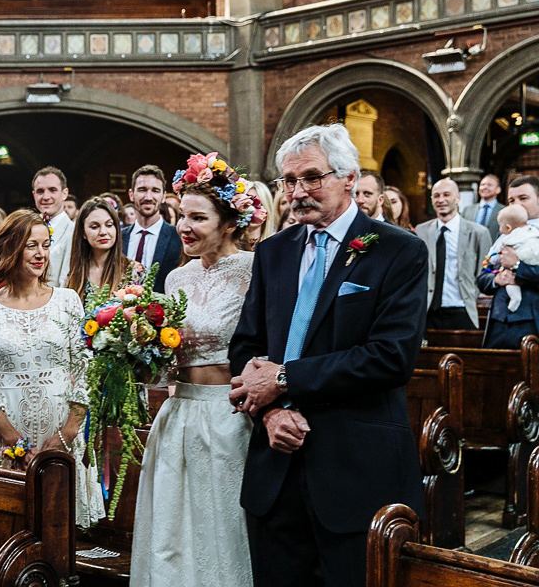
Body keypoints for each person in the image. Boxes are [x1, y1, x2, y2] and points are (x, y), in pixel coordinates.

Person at [229, 124, 426, 587]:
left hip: (355, 468)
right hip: (275, 468)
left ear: (349, 178)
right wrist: (273, 412)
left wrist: (284, 380)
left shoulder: (399, 251)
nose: (298, 192)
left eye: (312, 178)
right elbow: (246, 346)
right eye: (289, 181)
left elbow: (389, 357)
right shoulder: (274, 251)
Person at [131, 162, 262, 587]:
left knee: (222, 527)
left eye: (198, 218)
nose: (184, 227)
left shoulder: (252, 271)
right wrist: (134, 349)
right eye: (181, 215)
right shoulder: (175, 277)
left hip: (229, 415)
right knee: (171, 532)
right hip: (178, 412)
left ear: (229, 224)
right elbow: (168, 361)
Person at [0, 209, 104, 528]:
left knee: (63, 528)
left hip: (62, 429)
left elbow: (84, 369)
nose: (41, 253)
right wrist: (13, 441)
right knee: (11, 528)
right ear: (11, 247)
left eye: (46, 245)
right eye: (31, 245)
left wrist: (68, 430)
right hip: (7, 433)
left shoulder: (67, 300)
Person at [415, 179, 491, 330]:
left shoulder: (478, 233)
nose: (441, 200)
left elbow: (484, 272)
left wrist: (473, 293)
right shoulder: (421, 231)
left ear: (457, 198)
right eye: (436, 196)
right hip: (429, 311)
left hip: (462, 309)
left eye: (446, 195)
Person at [478, 176, 539, 349]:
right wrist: (495, 279)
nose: (516, 205)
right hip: (498, 322)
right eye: (511, 200)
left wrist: (518, 266)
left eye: (523, 198)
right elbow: (484, 274)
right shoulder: (505, 233)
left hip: (533, 321)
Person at [65, 197, 143, 299]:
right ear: (83, 232)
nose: (103, 232)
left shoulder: (135, 271)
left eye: (109, 225)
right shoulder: (74, 273)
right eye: (94, 227)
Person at [122, 165, 182, 293]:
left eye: (155, 190)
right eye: (142, 190)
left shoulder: (178, 236)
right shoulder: (118, 238)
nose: (148, 197)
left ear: (163, 196)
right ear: (131, 195)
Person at [487, 205, 539, 314]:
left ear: (508, 227)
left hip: (530, 315)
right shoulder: (533, 231)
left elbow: (494, 256)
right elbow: (483, 277)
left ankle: (515, 298)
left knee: (512, 282)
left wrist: (515, 264)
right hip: (532, 256)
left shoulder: (506, 239)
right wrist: (496, 279)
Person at [32, 167, 74, 287]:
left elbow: (67, 279)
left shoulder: (73, 231)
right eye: (40, 191)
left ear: (64, 193)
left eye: (52, 190)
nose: (46, 197)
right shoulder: (25, 229)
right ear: (34, 195)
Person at [462, 173, 505, 241]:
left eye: (489, 185)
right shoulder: (467, 210)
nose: (485, 187)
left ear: (498, 189)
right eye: (482, 185)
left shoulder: (504, 211)